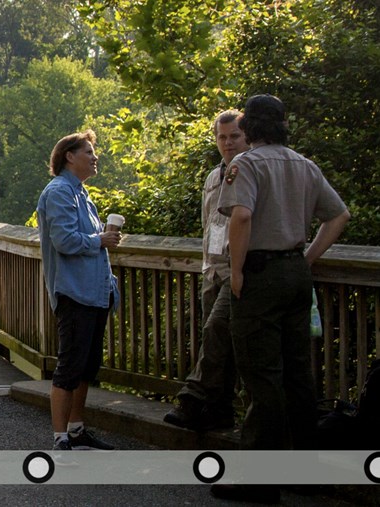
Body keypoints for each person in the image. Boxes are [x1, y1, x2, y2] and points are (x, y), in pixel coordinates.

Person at [210, 94, 349, 503]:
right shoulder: (304, 165)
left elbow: (242, 215)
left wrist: (236, 272)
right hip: (294, 272)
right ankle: (306, 472)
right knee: (297, 374)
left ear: (250, 126)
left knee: (261, 374)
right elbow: (338, 215)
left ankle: (259, 478)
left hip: (260, 274)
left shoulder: (246, 165)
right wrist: (304, 259)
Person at [164, 110, 248, 432]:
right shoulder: (214, 177)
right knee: (218, 342)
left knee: (217, 331)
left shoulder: (252, 172)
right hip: (211, 269)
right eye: (222, 137)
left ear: (247, 137)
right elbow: (208, 222)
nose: (227, 143)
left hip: (237, 268)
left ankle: (192, 398)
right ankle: (219, 412)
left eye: (234, 137)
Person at [37, 130, 119, 452]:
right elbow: (65, 241)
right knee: (70, 365)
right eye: (88, 151)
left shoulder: (83, 195)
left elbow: (87, 241)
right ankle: (60, 438)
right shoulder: (59, 192)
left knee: (87, 366)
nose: (95, 157)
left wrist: (105, 238)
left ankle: (77, 429)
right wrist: (100, 240)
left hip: (95, 293)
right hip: (74, 292)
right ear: (70, 156)